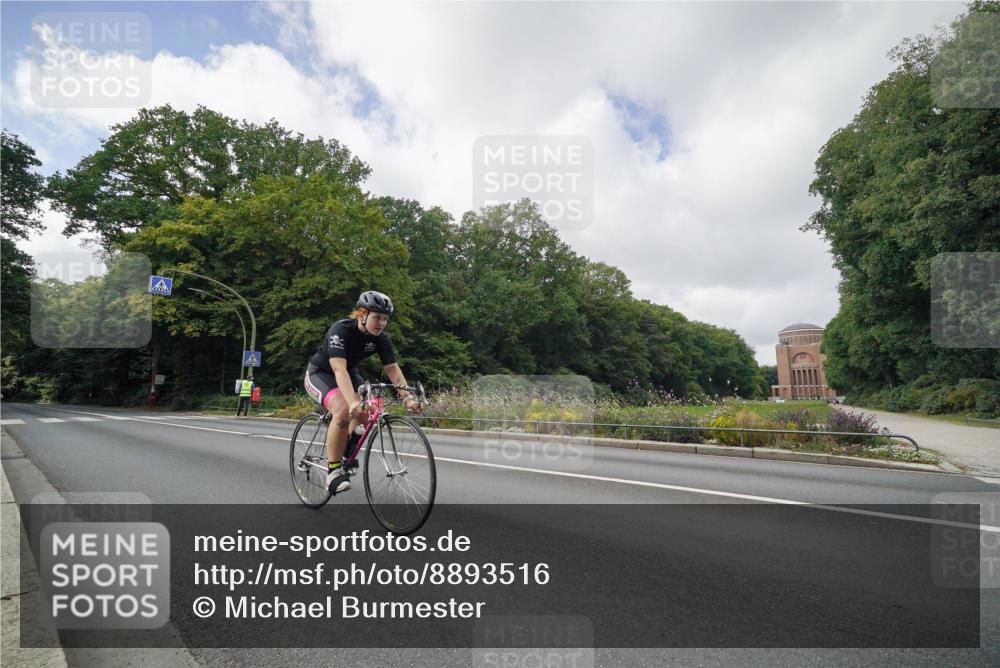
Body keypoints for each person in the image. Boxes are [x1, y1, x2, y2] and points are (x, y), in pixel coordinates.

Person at [304, 291, 422, 495]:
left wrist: (408, 398)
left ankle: (346, 453)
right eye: (377, 317)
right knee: (343, 409)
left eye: (385, 319)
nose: (382, 323)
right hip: (321, 373)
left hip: (350, 373)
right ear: (362, 314)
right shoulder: (340, 330)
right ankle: (333, 472)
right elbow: (339, 369)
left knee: (370, 411)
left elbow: (392, 369)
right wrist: (352, 402)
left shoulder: (380, 339)